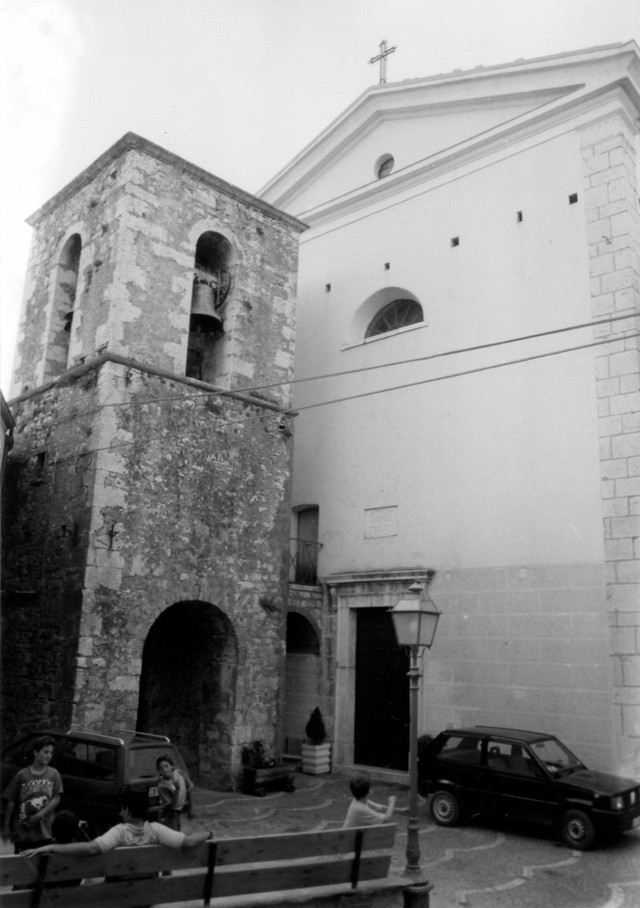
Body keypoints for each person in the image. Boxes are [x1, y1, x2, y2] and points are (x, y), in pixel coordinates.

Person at [21, 789, 211, 858]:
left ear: (128, 810)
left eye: (122, 808)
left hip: (118, 896)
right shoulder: (156, 830)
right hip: (149, 893)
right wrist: (209, 833)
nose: (120, 812)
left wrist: (51, 847)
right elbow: (188, 843)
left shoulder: (120, 832)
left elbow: (91, 849)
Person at [1, 735, 63, 853]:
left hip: (45, 831)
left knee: (43, 864)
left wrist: (39, 815)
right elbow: (11, 800)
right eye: (45, 752)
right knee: (22, 865)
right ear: (35, 752)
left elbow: (56, 798)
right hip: (23, 832)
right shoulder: (22, 775)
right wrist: (6, 826)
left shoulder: (54, 774)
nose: (49, 755)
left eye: (51, 752)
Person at [156, 754, 194, 830]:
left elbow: (189, 789)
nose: (165, 770)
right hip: (169, 815)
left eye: (166, 766)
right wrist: (177, 790)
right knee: (174, 835)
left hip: (178, 813)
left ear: (172, 766)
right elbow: (172, 805)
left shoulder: (180, 773)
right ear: (159, 772)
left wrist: (190, 809)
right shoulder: (162, 786)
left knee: (178, 832)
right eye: (161, 768)